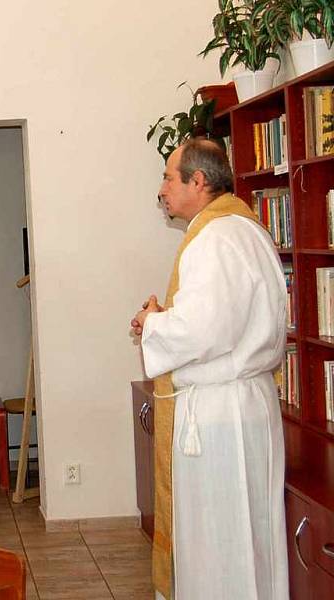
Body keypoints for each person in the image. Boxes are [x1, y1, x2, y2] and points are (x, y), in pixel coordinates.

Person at [130, 139, 288, 600]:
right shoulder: (246, 228)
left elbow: (203, 330)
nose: (161, 190)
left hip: (219, 415)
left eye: (167, 176)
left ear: (198, 181)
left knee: (220, 542)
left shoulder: (214, 238)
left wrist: (152, 322)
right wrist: (164, 319)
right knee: (251, 536)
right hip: (246, 402)